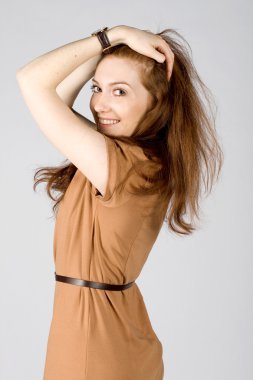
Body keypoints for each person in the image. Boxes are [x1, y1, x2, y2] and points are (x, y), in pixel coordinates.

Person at [16, 25, 223, 380]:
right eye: (98, 88)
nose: (100, 104)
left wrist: (112, 35)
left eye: (120, 91)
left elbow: (33, 82)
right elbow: (58, 98)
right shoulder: (133, 157)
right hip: (106, 332)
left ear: (157, 103)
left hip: (95, 341)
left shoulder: (124, 165)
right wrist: (114, 45)